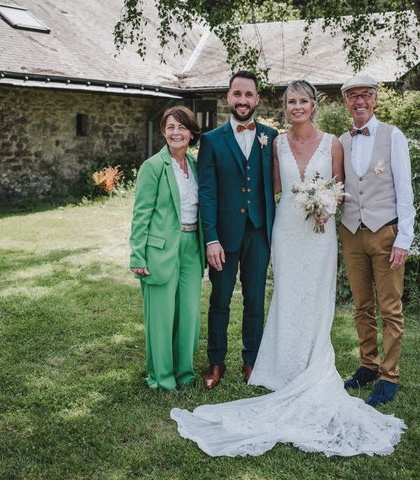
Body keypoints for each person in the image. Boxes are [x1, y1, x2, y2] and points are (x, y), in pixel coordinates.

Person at [170, 80, 405, 457]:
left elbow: (341, 189)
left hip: (320, 232)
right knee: (284, 295)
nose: (297, 106)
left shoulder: (334, 143)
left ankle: (312, 360)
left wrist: (324, 204)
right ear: (284, 106)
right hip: (285, 231)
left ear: (314, 105)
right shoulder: (275, 143)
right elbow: (269, 186)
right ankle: (270, 362)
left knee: (315, 296)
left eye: (303, 101)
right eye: (291, 101)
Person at [198, 70, 278, 390]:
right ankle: (216, 362)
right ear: (228, 97)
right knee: (219, 300)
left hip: (258, 232)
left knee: (255, 300)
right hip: (224, 236)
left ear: (257, 99)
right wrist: (211, 237)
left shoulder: (271, 137)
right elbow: (207, 192)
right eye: (237, 94)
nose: (243, 100)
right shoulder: (211, 140)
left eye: (248, 95)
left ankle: (252, 361)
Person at [338, 75, 415, 407]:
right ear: (345, 102)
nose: (359, 101)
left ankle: (389, 375)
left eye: (365, 95)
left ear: (375, 100)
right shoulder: (341, 141)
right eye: (352, 96)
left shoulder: (393, 136)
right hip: (351, 232)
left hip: (386, 232)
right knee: (361, 305)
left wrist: (404, 239)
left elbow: (405, 189)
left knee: (390, 307)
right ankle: (368, 365)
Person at [129, 106, 205, 392]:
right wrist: (137, 254)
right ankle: (161, 377)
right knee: (161, 315)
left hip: (191, 248)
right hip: (160, 250)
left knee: (187, 313)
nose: (176, 132)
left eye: (182, 127)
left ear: (191, 133)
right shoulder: (152, 167)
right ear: (163, 132)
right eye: (170, 127)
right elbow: (141, 214)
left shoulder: (196, 166)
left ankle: (184, 371)